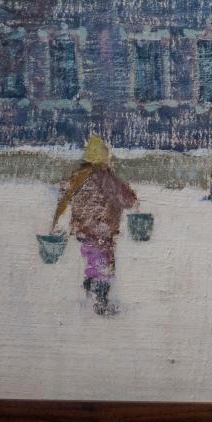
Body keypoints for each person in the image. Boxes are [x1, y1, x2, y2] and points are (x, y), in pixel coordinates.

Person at [49, 133, 138, 316]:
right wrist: (132, 199)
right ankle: (100, 300)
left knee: (93, 257)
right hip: (101, 229)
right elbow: (125, 197)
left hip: (83, 229)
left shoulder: (78, 176)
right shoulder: (104, 177)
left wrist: (57, 219)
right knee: (104, 263)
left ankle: (90, 284)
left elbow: (64, 196)